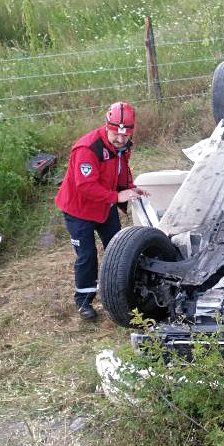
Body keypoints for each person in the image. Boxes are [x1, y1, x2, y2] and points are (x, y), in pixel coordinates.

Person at [55, 101, 149, 320]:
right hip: (79, 211)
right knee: (87, 256)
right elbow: (85, 185)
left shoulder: (123, 146)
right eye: (116, 134)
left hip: (104, 208)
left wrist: (130, 188)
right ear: (107, 126)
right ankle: (84, 301)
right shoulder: (88, 149)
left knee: (117, 248)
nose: (120, 139)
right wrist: (116, 197)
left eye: (125, 136)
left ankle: (122, 291)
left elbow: (119, 171)